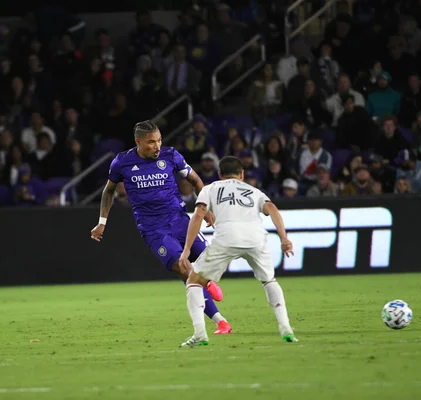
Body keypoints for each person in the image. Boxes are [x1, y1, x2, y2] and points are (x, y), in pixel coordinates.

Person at [90, 120, 232, 335]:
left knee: (210, 260)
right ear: (138, 142)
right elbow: (108, 191)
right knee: (184, 269)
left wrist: (206, 208)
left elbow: (195, 180)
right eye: (150, 142)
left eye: (159, 140)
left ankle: (208, 282)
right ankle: (220, 321)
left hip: (180, 221)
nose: (157, 146)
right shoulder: (122, 162)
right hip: (154, 230)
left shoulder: (171, 156)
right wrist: (102, 222)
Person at [178, 156, 297, 347]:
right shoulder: (254, 191)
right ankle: (286, 329)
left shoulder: (210, 188)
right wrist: (284, 238)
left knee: (194, 281)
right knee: (269, 281)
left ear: (219, 174)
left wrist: (186, 250)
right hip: (256, 238)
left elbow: (199, 214)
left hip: (227, 237)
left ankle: (200, 334)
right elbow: (272, 208)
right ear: (241, 174)